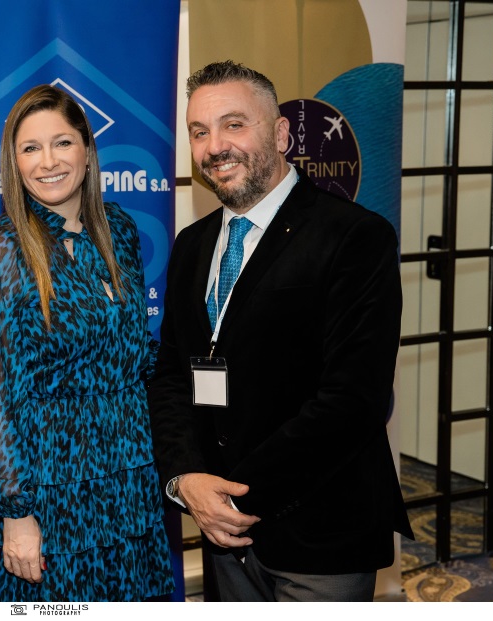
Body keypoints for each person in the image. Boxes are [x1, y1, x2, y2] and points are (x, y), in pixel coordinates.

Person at [148, 60, 413, 602]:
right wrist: (186, 480)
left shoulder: (355, 237)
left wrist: (236, 498)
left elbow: (352, 400)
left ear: (281, 133)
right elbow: (172, 375)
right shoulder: (192, 245)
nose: (215, 146)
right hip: (224, 537)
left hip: (320, 533)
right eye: (199, 132)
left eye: (234, 124)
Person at [0, 84, 174, 602]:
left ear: (87, 149)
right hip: (53, 493)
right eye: (30, 148)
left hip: (131, 480)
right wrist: (15, 513)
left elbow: (133, 351)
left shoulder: (119, 229)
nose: (48, 161)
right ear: (14, 163)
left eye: (62, 143)